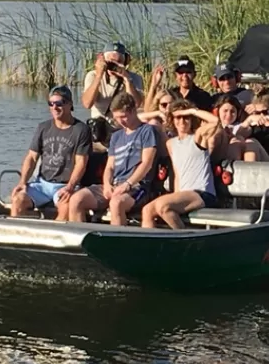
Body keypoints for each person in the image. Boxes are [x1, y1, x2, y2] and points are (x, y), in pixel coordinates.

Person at [67, 92, 158, 226]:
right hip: (115, 183)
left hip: (138, 186)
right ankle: (81, 234)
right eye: (117, 118)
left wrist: (128, 184)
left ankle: (118, 236)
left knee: (116, 203)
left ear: (133, 111)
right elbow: (110, 166)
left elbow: (147, 163)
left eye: (123, 117)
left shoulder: (147, 131)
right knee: (77, 199)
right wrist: (107, 184)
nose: (121, 121)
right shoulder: (116, 136)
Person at [9, 85, 92, 221]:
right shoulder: (43, 127)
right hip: (42, 184)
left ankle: (55, 233)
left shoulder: (81, 130)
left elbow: (81, 163)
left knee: (66, 207)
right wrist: (22, 182)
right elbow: (32, 157)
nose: (54, 107)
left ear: (70, 104)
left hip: (66, 185)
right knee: (18, 200)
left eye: (59, 103)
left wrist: (70, 186)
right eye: (51, 103)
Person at [141, 99, 221, 229]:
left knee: (163, 206)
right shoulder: (170, 143)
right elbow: (177, 174)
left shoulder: (198, 137)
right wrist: (175, 195)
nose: (182, 121)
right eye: (178, 117)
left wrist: (192, 111)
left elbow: (215, 121)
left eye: (186, 117)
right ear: (172, 120)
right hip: (183, 195)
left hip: (202, 193)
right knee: (147, 210)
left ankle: (185, 239)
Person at [81, 42, 145, 148]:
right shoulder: (92, 76)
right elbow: (87, 103)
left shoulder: (134, 78)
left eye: (119, 62)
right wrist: (99, 75)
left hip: (123, 128)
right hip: (100, 130)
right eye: (111, 61)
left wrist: (127, 80)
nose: (114, 65)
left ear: (125, 61)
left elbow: (137, 104)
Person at [148, 56, 214, 111]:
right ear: (175, 76)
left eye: (188, 72)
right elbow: (148, 111)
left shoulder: (203, 96)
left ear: (194, 74)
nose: (184, 75)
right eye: (181, 72)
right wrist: (153, 85)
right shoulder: (169, 94)